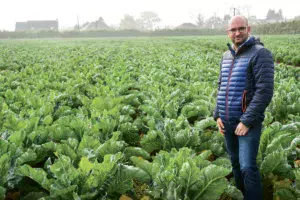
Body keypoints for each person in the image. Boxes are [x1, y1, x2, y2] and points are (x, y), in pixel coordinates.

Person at [213, 15, 274, 200]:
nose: (237, 33)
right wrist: (217, 115)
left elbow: (264, 92)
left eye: (241, 28)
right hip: (228, 122)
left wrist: (246, 121)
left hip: (247, 124)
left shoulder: (259, 53)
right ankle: (241, 195)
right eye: (233, 30)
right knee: (236, 165)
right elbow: (221, 87)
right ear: (228, 33)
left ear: (249, 29)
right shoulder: (226, 56)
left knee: (248, 167)